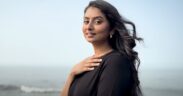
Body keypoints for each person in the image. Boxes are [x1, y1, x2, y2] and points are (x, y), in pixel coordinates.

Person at [61, 0, 143, 96]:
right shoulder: (86, 64)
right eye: (86, 21)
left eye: (98, 21)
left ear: (112, 29)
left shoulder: (115, 61)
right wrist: (72, 74)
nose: (89, 27)